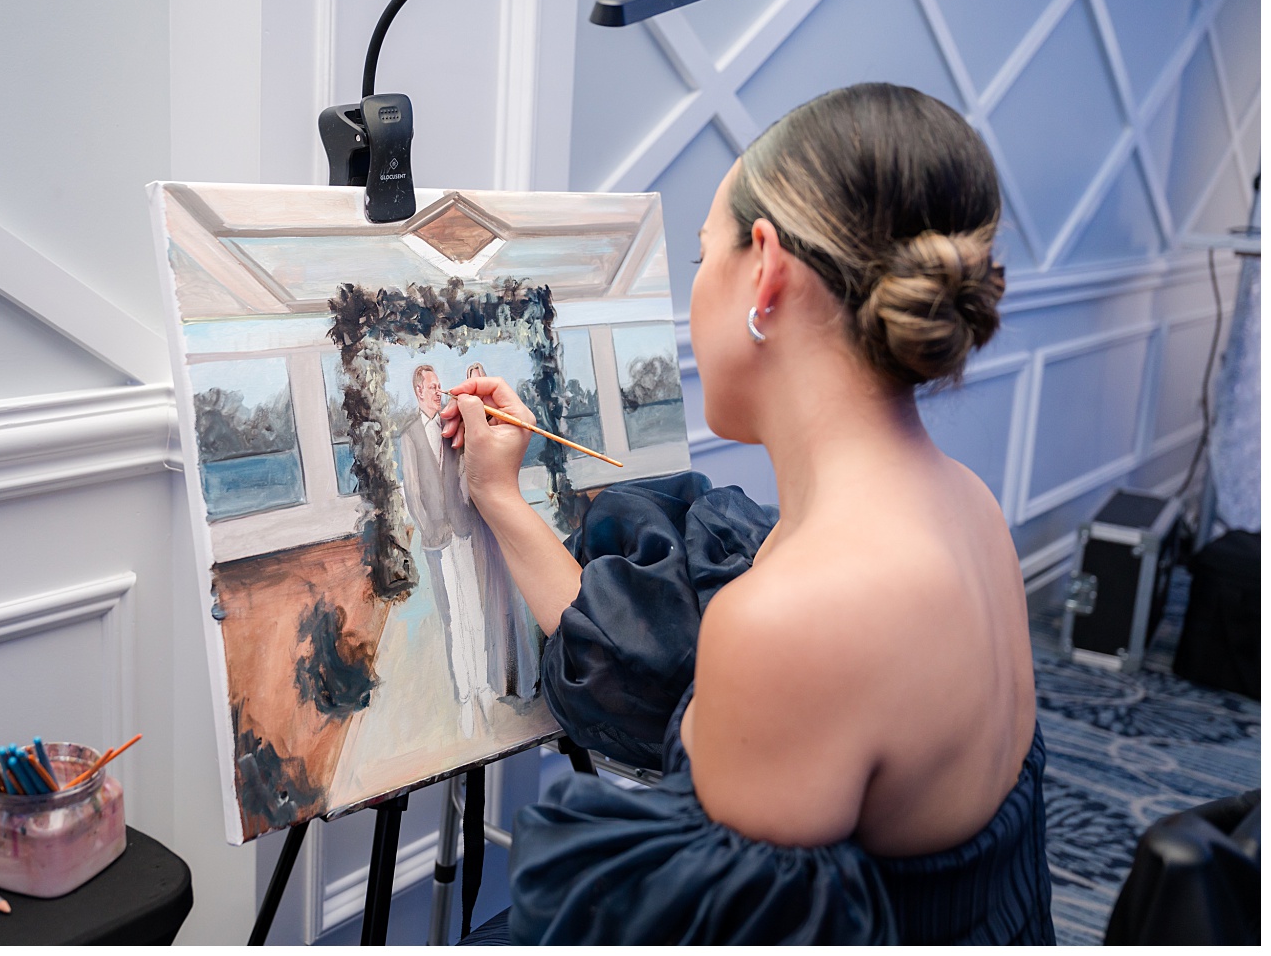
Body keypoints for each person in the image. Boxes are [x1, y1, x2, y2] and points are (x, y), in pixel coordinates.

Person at [439, 83, 1054, 944]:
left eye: (702, 258)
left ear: (764, 272)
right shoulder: (965, 505)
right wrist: (500, 497)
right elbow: (672, 673)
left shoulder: (796, 615)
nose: (693, 293)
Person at [398, 364, 493, 737]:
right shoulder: (409, 436)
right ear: (419, 391)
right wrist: (430, 530)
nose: (439, 391)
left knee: (474, 611)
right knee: (453, 619)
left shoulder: (451, 426)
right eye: (433, 386)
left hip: (463, 531)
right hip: (438, 541)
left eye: (440, 385)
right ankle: (466, 696)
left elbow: (464, 473)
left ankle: (483, 687)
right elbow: (413, 494)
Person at [461, 362, 541, 703]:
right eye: (472, 388)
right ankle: (502, 676)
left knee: (516, 601)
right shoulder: (468, 441)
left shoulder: (498, 437)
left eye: (481, 389)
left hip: (504, 532)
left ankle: (526, 676)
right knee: (494, 603)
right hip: (482, 536)